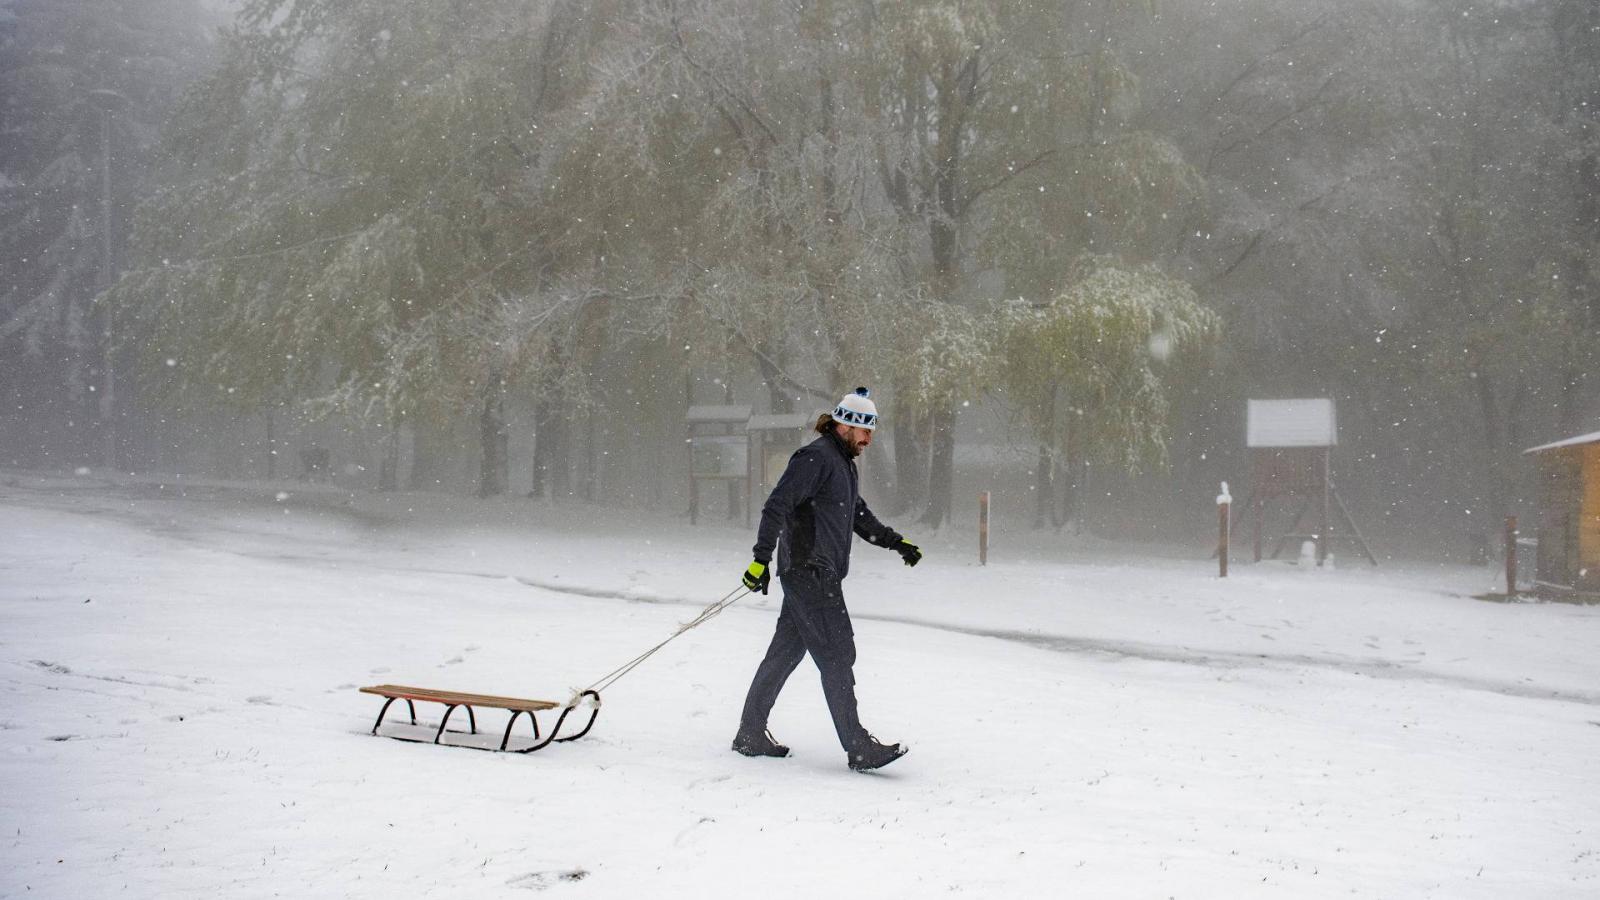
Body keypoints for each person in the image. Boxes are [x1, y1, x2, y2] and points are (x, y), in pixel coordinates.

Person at [732, 387, 923, 772]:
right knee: (837, 654)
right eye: (865, 430)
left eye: (872, 430)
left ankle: (750, 733)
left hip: (815, 573)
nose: (869, 439)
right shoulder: (815, 458)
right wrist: (760, 559)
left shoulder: (842, 464)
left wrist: (895, 542)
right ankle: (858, 745)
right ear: (845, 425)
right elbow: (777, 505)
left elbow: (857, 514)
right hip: (810, 573)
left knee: (784, 652)